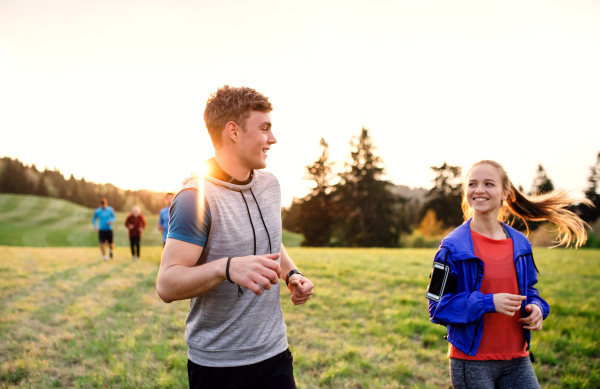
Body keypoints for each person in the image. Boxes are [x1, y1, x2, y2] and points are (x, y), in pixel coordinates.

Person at [156, 85, 314, 389]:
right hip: (219, 366)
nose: (273, 138)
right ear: (233, 131)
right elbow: (167, 285)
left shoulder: (270, 185)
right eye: (264, 128)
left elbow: (272, 239)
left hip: (274, 353)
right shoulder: (195, 198)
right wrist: (226, 267)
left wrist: (291, 273)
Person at [426, 160, 590, 389]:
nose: (479, 189)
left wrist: (538, 308)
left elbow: (529, 290)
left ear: (506, 193)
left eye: (489, 184)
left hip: (517, 359)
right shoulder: (451, 247)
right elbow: (436, 307)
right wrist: (487, 302)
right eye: (472, 183)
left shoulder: (520, 243)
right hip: (472, 362)